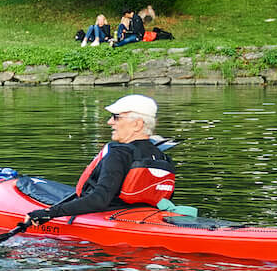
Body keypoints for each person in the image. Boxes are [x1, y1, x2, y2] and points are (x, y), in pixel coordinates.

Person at [26, 94, 177, 224]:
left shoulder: (118, 153)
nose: (110, 122)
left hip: (112, 218)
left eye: (116, 117)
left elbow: (99, 200)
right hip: (145, 217)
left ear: (137, 124)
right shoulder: (163, 158)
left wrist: (49, 213)